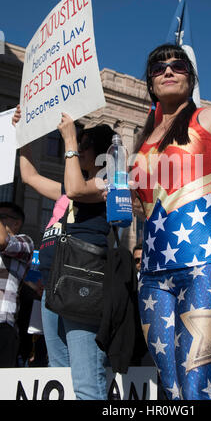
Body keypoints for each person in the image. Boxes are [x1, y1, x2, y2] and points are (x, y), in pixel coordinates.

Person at [131, 43, 211, 400]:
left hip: (205, 266)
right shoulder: (142, 144)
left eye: (178, 65)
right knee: (172, 393)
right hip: (152, 279)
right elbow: (141, 207)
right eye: (159, 67)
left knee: (198, 388)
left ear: (191, 77)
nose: (169, 71)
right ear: (150, 82)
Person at [12, 105, 115, 400]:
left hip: (81, 286)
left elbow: (76, 189)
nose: (78, 151)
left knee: (85, 381)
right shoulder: (68, 188)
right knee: (60, 373)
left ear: (99, 152)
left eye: (84, 146)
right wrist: (25, 135)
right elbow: (30, 176)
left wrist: (69, 139)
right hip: (53, 288)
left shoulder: (106, 183)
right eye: (78, 145)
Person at [0, 201, 34, 367]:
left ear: (16, 223)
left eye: (1, 217)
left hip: (2, 324)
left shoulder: (24, 242)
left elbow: (2, 241)